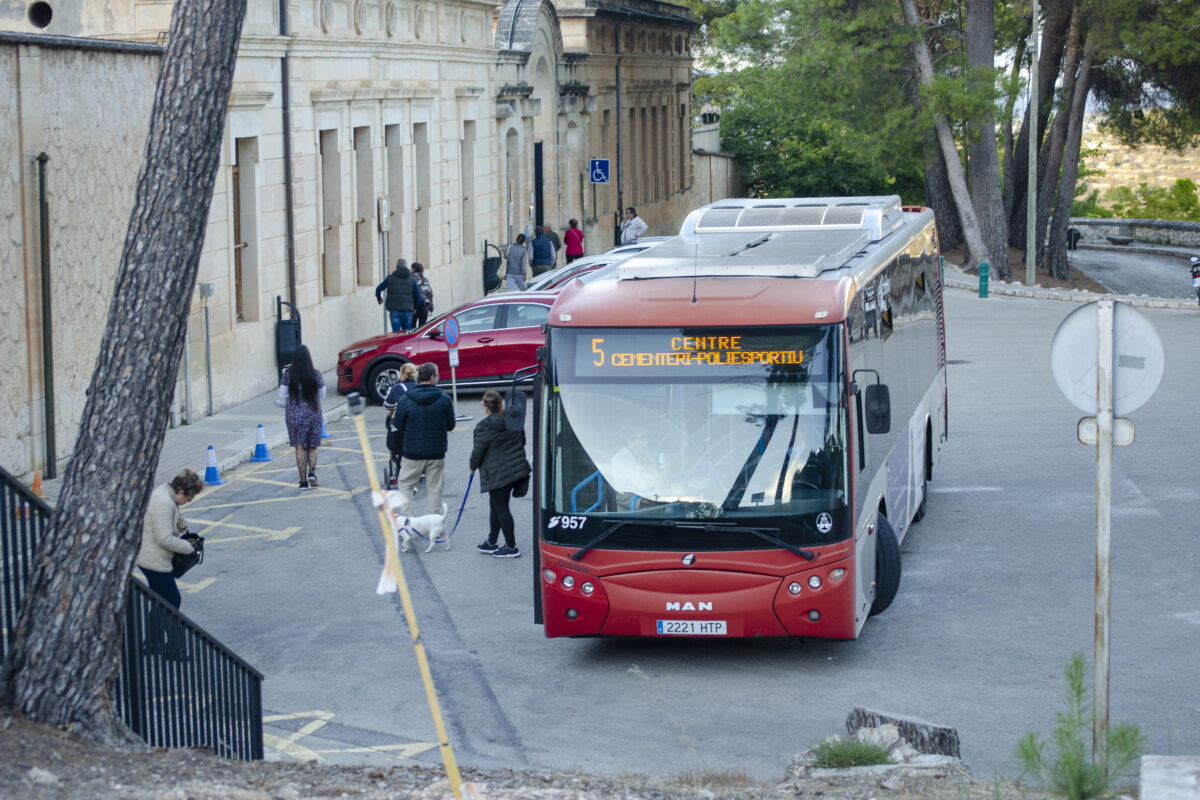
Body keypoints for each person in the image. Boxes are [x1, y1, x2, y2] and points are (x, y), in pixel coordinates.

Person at [137, 469, 203, 657]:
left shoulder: (167, 495)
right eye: (188, 499)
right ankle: (176, 648)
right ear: (181, 492)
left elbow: (166, 524)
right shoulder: (164, 502)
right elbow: (164, 538)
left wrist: (179, 524)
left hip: (149, 557)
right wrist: (187, 547)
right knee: (172, 600)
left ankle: (152, 643)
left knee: (160, 600)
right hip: (154, 560)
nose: (187, 502)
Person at [470, 391, 531, 558]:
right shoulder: (512, 420)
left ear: (485, 408)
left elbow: (478, 450)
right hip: (516, 469)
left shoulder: (484, 426)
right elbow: (522, 441)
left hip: (498, 473)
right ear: (500, 405)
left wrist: (472, 466)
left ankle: (511, 547)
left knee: (501, 507)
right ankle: (492, 541)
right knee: (496, 505)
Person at [391, 362, 456, 515]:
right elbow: (450, 426)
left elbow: (397, 425)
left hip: (412, 453)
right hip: (436, 453)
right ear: (433, 378)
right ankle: (433, 524)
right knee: (434, 489)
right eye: (437, 375)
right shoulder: (444, 399)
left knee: (405, 484)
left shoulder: (405, 399)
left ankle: (408, 523)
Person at [277, 344, 325, 488]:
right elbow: (322, 394)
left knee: (299, 446)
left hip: (294, 415)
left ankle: (303, 481)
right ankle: (312, 473)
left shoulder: (288, 374)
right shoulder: (315, 374)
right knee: (313, 445)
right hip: (313, 413)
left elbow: (282, 394)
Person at [375, 258, 423, 332]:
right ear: (406, 267)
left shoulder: (390, 278)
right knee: (406, 334)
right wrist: (415, 307)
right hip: (407, 311)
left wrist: (379, 298)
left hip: (394, 310)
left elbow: (378, 289)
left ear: (396, 267)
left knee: (396, 334)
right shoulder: (411, 279)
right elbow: (417, 295)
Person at [412, 262, 434, 327]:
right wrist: (431, 308)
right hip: (424, 306)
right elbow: (430, 294)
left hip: (413, 307)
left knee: (411, 329)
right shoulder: (425, 280)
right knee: (422, 328)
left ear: (413, 269)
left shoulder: (410, 279)